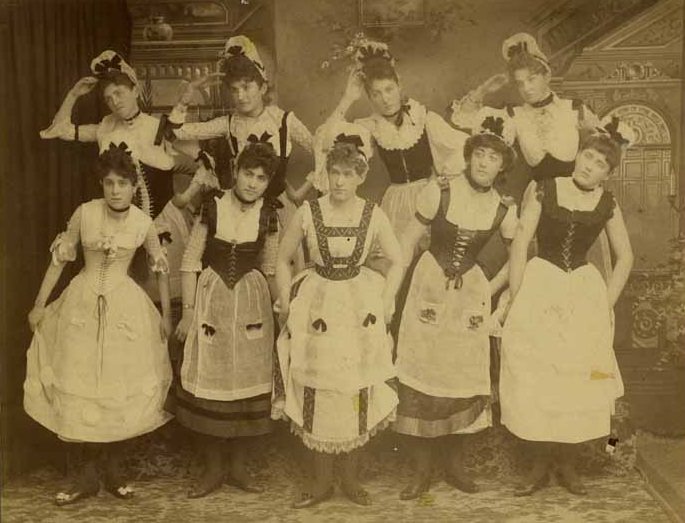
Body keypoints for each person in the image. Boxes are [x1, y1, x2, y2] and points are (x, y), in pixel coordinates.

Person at [24, 143, 173, 505]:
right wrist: (39, 305)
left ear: (134, 186)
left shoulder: (142, 222)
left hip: (125, 308)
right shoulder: (85, 213)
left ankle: (114, 471)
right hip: (81, 306)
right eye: (109, 183)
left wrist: (167, 315)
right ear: (101, 184)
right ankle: (85, 476)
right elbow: (60, 261)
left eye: (122, 182)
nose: (115, 190)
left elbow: (160, 269)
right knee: (81, 383)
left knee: (118, 386)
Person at [500, 117, 635, 496]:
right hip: (541, 284)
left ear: (607, 175)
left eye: (600, 165)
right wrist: (516, 293)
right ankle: (539, 464)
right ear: (578, 154)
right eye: (587, 157)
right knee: (537, 374)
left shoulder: (607, 202)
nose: (589, 166)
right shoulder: (545, 188)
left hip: (583, 292)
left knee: (576, 378)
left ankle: (567, 464)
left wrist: (605, 303)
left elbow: (626, 257)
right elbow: (521, 241)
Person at [273, 121, 404, 508]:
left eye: (348, 174)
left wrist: (387, 299)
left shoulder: (373, 214)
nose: (340, 182)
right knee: (318, 385)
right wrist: (286, 298)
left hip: (359, 304)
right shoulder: (309, 212)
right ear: (325, 174)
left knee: (356, 384)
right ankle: (320, 481)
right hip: (318, 302)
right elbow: (282, 259)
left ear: (361, 177)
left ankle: (350, 478)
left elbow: (397, 260)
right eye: (335, 173)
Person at [394, 110, 518, 500]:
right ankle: (420, 470)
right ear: (469, 155)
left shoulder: (504, 207)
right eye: (479, 153)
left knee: (460, 377)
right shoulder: (440, 190)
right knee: (421, 375)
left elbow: (519, 259)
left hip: (469, 298)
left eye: (493, 157)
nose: (484, 162)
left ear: (502, 165)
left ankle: (453, 465)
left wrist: (490, 286)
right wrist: (387, 295)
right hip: (428, 287)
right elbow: (405, 243)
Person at [172, 143, 281, 498]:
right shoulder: (212, 206)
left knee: (248, 380)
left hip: (252, 302)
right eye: (248, 174)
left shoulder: (271, 214)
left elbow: (271, 266)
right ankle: (214, 468)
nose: (253, 183)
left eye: (261, 178)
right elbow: (190, 261)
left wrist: (283, 308)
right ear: (235, 171)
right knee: (211, 379)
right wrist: (189, 312)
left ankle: (238, 467)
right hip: (212, 300)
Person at [167, 35, 315, 262]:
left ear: (263, 86)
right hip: (241, 210)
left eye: (246, 87)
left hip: (280, 208)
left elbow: (321, 149)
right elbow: (176, 131)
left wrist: (301, 190)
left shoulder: (284, 121)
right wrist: (187, 97)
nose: (240, 96)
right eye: (234, 90)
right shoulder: (228, 124)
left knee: (283, 271)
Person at [328, 41, 469, 259]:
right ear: (368, 96)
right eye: (376, 94)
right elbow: (328, 143)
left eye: (389, 90)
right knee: (395, 261)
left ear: (399, 85)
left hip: (429, 194)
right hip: (396, 202)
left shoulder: (423, 117)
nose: (385, 99)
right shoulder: (370, 127)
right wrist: (348, 98)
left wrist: (445, 181)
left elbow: (461, 148)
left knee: (432, 260)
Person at [39, 50, 216, 219]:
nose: (114, 102)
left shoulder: (158, 128)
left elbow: (201, 165)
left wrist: (184, 198)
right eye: (108, 98)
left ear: (136, 91)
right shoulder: (105, 127)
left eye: (119, 93)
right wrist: (73, 94)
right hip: (115, 219)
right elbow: (62, 130)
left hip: (161, 221)